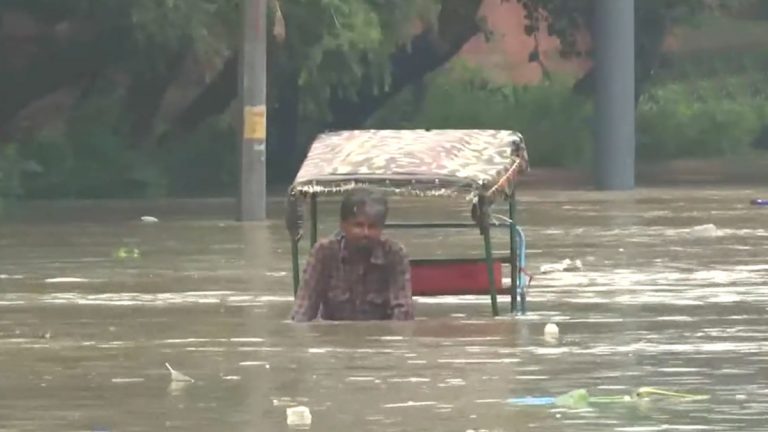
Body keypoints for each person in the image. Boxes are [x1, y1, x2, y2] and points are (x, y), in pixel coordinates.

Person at [290, 187, 414, 322]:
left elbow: (403, 312)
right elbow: (303, 309)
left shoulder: (394, 254)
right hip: (334, 337)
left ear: (381, 228)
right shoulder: (324, 252)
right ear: (343, 225)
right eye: (358, 225)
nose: (365, 233)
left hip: (379, 336)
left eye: (372, 227)